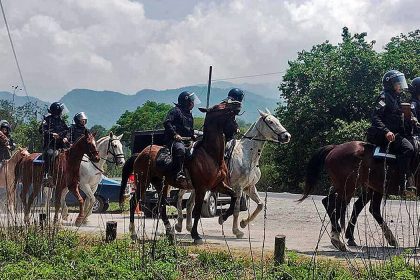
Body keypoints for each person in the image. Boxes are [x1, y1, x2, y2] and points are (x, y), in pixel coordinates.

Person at [367, 70, 415, 192]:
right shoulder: (384, 97)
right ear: (390, 84)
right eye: (398, 83)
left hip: (396, 134)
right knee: (408, 148)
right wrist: (386, 131)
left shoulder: (396, 98)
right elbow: (375, 117)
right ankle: (402, 181)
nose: (400, 86)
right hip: (384, 134)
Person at [163, 91, 199, 183]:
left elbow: (189, 129)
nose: (193, 104)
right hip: (173, 140)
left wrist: (193, 136)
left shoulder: (189, 114)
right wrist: (175, 134)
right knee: (180, 149)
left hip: (186, 140)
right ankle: (177, 173)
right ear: (186, 102)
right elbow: (167, 123)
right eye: (191, 101)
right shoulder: (175, 111)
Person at [40, 102, 69, 184]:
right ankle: (46, 174)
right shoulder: (47, 119)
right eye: (61, 110)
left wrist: (66, 137)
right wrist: (52, 134)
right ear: (57, 111)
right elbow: (41, 130)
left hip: (60, 145)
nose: (62, 112)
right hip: (49, 145)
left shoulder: (61, 121)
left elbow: (67, 131)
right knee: (51, 153)